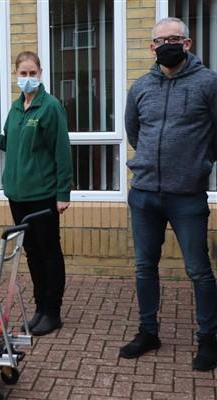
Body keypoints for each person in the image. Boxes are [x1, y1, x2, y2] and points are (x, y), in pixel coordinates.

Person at [120, 18, 217, 371]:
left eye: (174, 39)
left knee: (198, 270)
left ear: (187, 43)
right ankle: (148, 331)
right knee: (145, 267)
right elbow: (134, 132)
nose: (167, 45)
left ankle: (209, 338)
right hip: (145, 194)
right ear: (152, 47)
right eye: (160, 40)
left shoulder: (209, 82)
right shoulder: (141, 86)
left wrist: (201, 163)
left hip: (187, 195)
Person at [0, 51, 73, 336]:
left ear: (40, 73)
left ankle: (53, 312)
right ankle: (40, 309)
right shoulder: (15, 109)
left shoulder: (50, 107)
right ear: (15, 75)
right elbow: (9, 144)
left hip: (43, 194)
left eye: (32, 73)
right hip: (17, 195)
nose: (27, 78)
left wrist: (63, 193)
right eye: (22, 74)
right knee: (32, 252)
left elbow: (62, 152)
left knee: (49, 252)